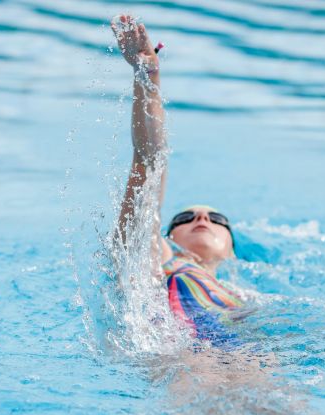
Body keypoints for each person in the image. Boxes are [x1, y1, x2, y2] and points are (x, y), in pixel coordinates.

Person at [111, 15, 244, 347]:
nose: (201, 218)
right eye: (185, 217)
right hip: (180, 357)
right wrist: (147, 77)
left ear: (232, 252)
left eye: (217, 219)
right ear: (167, 237)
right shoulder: (160, 261)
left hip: (246, 351)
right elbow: (148, 161)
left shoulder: (246, 298)